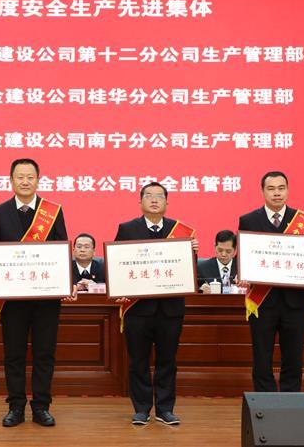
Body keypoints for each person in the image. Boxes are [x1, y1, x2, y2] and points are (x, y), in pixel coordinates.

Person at [0, 158, 72, 427]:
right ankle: (16, 407)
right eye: (20, 177)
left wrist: (68, 281)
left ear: (38, 180)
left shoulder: (53, 212)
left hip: (46, 298)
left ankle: (41, 406)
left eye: (30, 177)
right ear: (11, 181)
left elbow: (62, 249)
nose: (25, 181)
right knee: (14, 354)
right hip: (13, 299)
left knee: (44, 353)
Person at [114, 182, 198, 426]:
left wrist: (192, 252)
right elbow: (118, 264)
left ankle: (165, 409)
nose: (154, 200)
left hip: (170, 309)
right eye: (148, 196)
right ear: (140, 202)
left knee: (167, 361)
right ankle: (141, 409)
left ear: (166, 202)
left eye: (159, 196)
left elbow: (187, 271)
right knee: (138, 361)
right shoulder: (127, 229)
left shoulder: (180, 231)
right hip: (138, 309)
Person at [238, 171, 304, 393]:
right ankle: (264, 402)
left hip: (294, 302)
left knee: (294, 356)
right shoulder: (248, 220)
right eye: (271, 189)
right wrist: (242, 274)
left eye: (281, 188)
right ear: (262, 192)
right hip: (262, 301)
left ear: (287, 190)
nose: (276, 193)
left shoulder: (301, 221)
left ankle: (291, 401)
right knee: (262, 356)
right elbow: (245, 257)